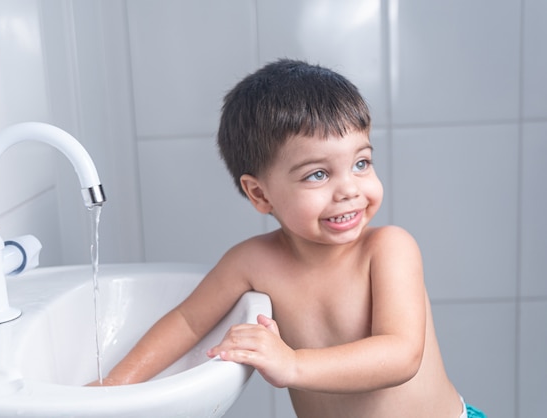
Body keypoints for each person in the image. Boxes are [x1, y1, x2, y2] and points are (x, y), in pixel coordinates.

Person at [93, 59, 486, 418]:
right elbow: (187, 322)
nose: (349, 189)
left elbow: (402, 355)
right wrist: (115, 385)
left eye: (361, 163)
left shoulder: (387, 249)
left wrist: (292, 363)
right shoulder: (251, 263)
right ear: (260, 194)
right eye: (318, 174)